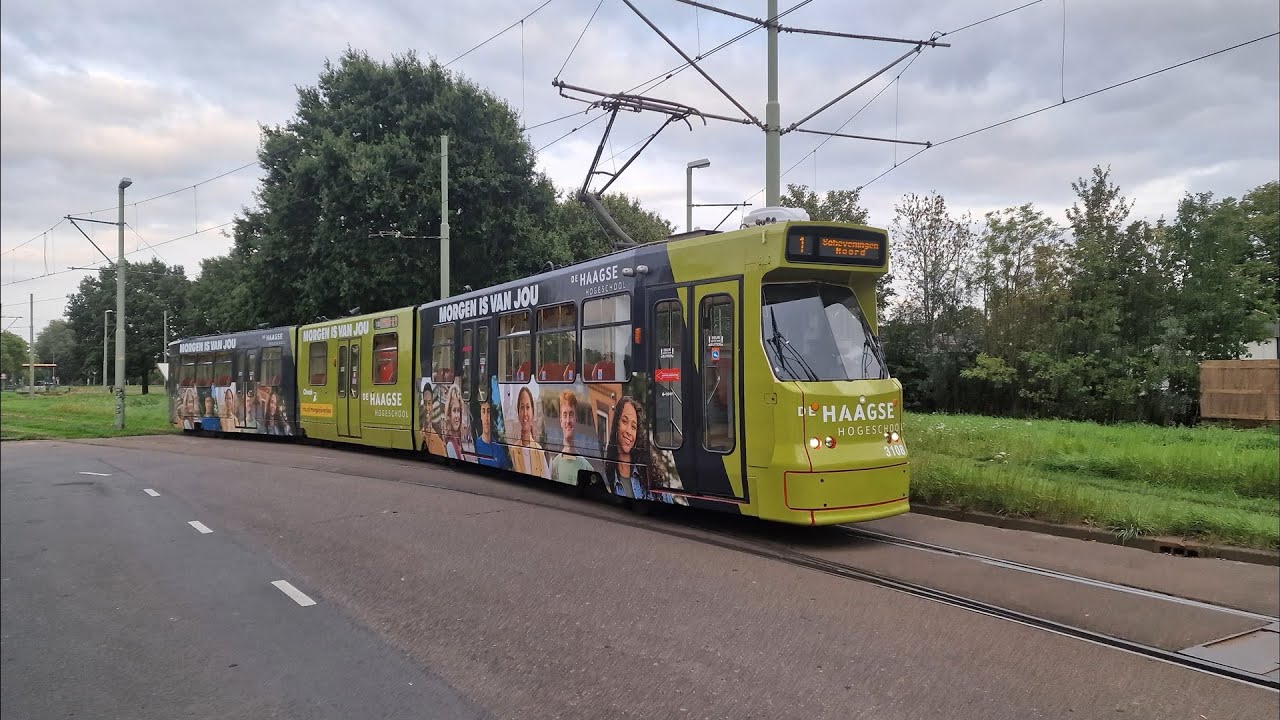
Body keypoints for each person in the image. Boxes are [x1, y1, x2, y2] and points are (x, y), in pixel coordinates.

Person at [550, 390, 595, 486]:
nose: (568, 421)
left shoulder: (587, 468)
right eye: (565, 415)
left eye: (571, 415)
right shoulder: (553, 467)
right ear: (561, 421)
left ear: (576, 419)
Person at [604, 396, 646, 499]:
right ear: (616, 424)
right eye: (624, 421)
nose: (628, 431)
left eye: (633, 427)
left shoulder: (648, 475)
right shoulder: (606, 475)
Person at [509, 386, 548, 478]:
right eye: (522, 407)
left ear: (533, 412)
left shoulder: (540, 452)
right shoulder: (512, 452)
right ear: (518, 413)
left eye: (528, 407)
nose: (525, 413)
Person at [474, 399, 509, 469]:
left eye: (489, 412)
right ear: (481, 416)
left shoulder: (499, 450)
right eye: (483, 412)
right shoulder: (475, 446)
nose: (486, 417)